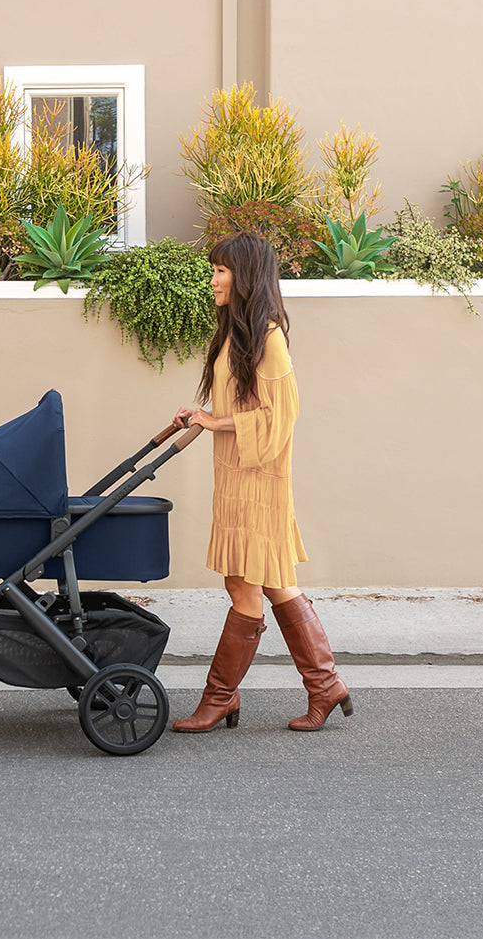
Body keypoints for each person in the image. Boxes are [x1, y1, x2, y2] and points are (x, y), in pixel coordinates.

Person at [171, 231, 353, 733]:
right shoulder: (235, 333)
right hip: (234, 474)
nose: (212, 281)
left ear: (244, 275)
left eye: (220, 271)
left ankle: (219, 699)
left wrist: (216, 423)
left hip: (258, 477)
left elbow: (279, 418)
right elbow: (239, 406)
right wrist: (205, 414)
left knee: (242, 583)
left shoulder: (269, 337)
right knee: (273, 581)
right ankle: (324, 684)